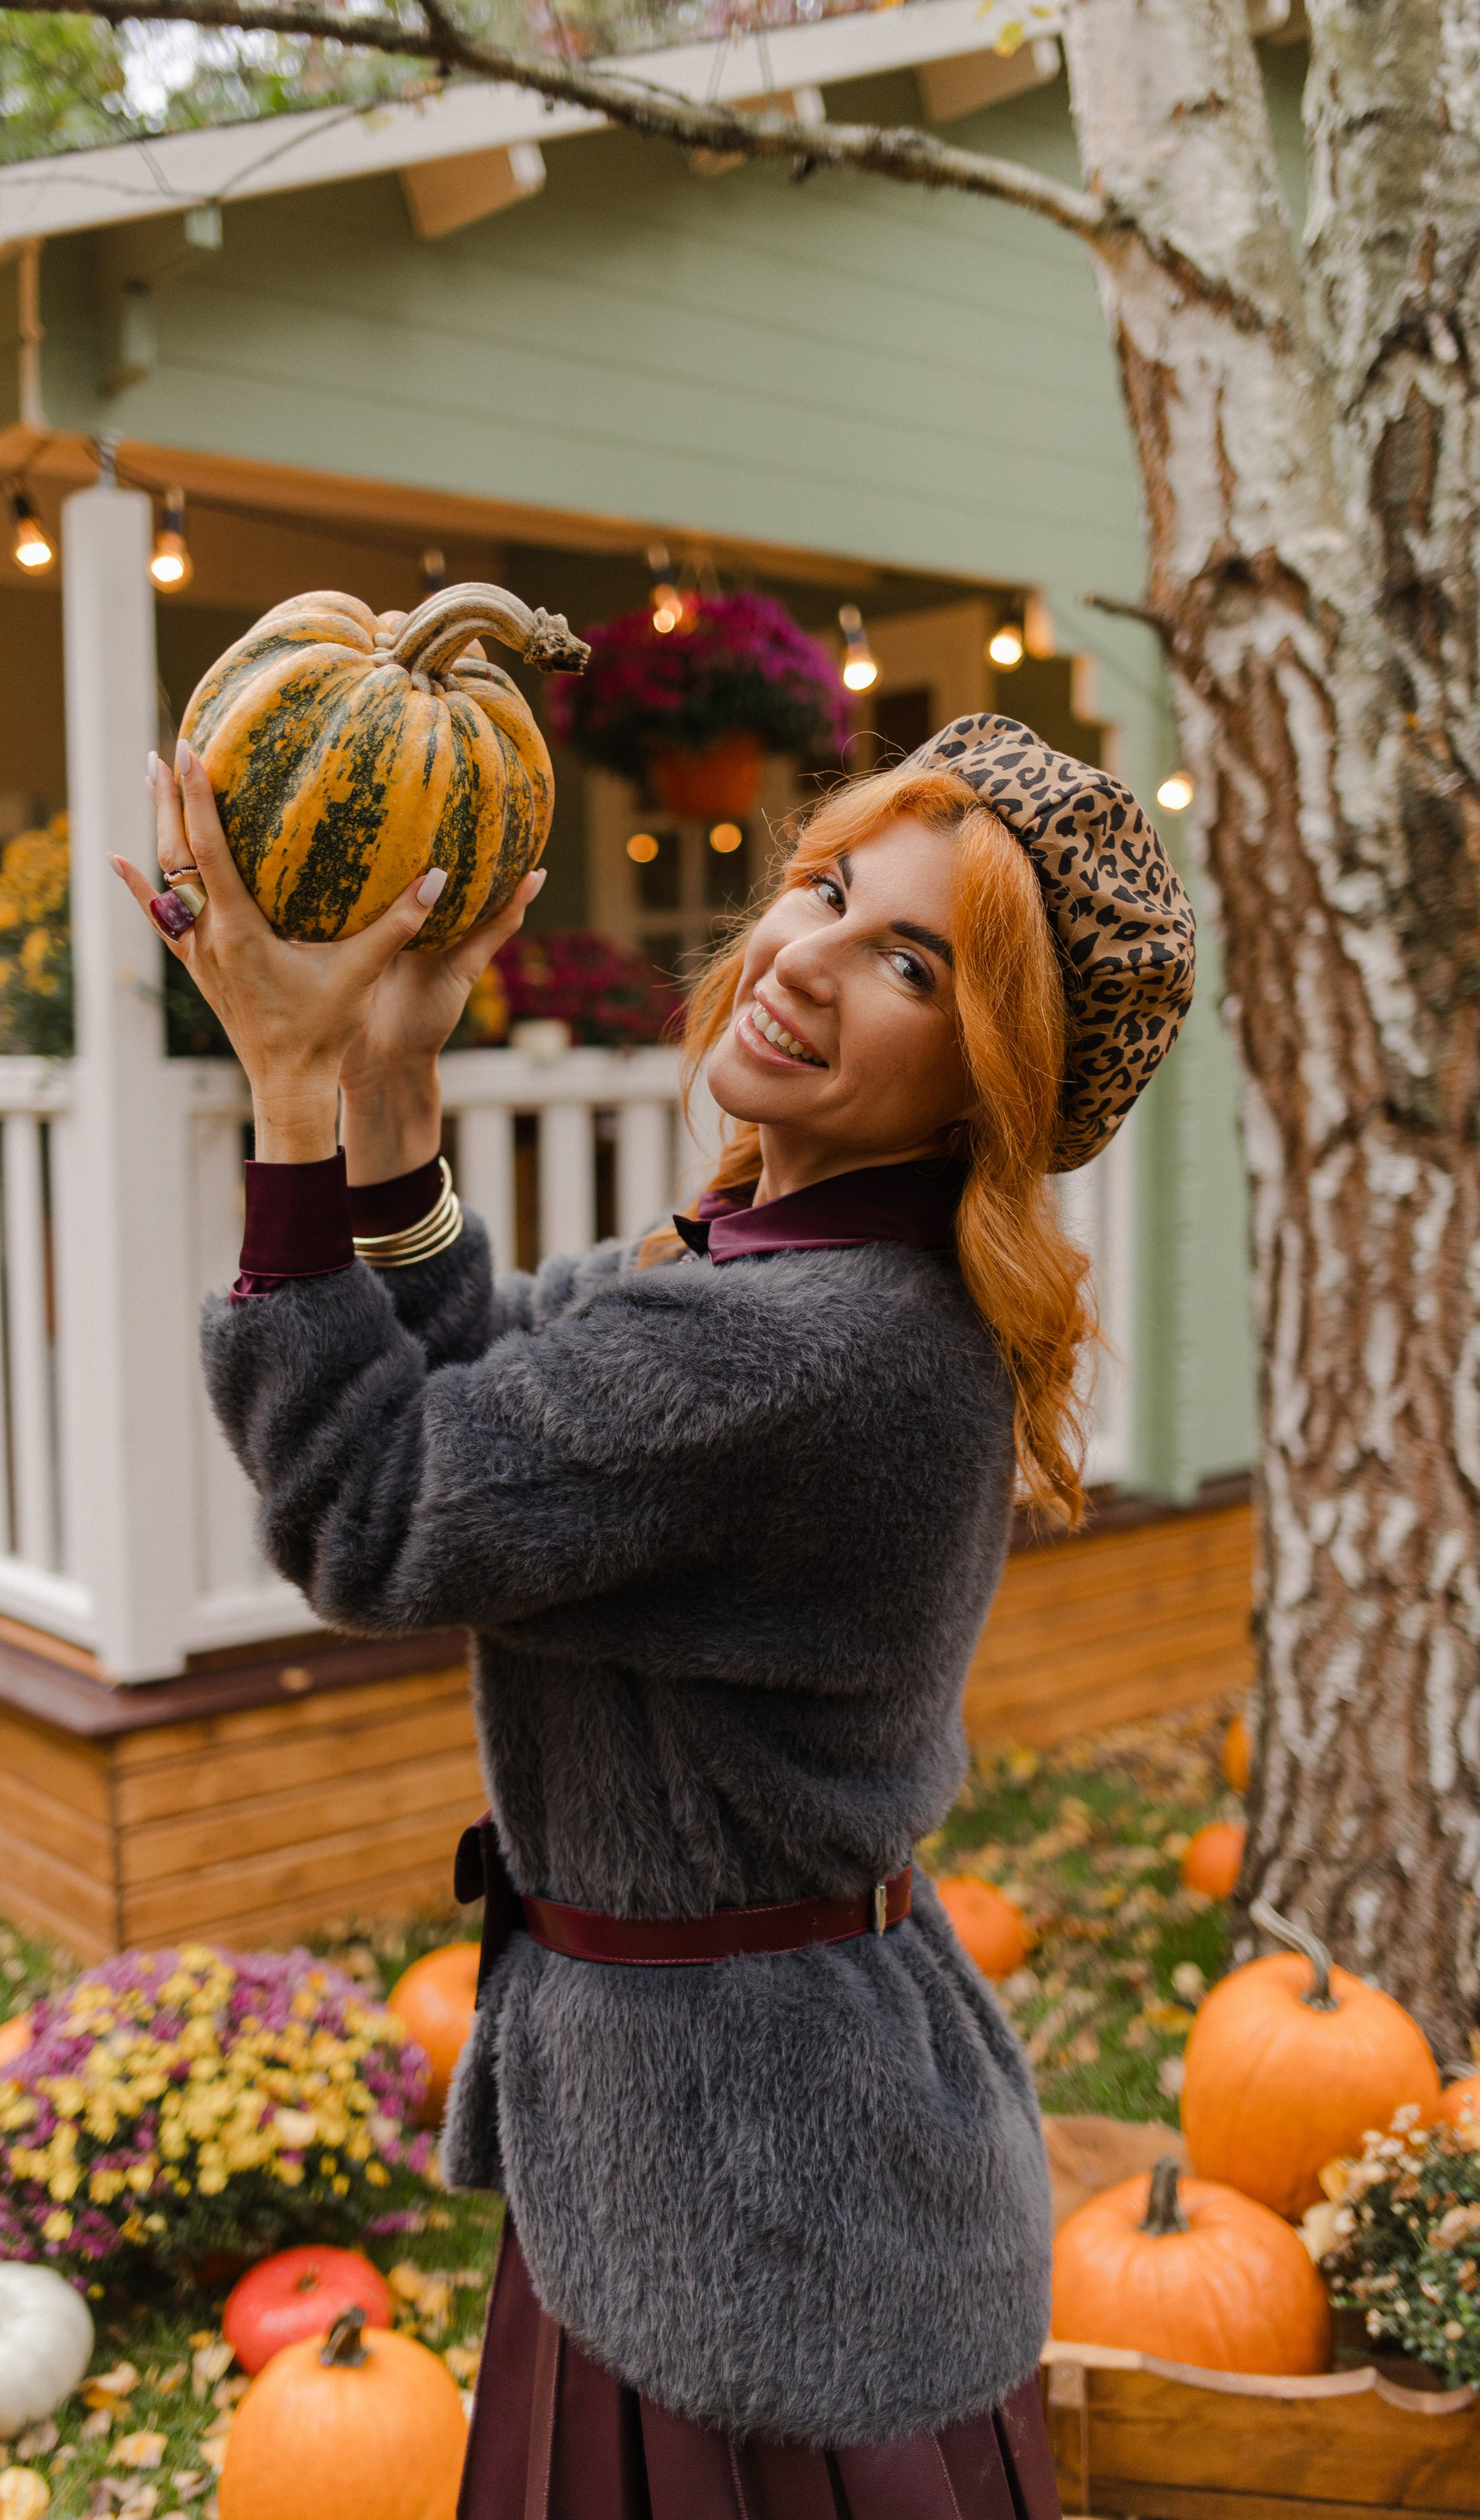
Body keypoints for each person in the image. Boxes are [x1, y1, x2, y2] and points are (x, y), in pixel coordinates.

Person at [113, 710, 1195, 2520]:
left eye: (909, 962)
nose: (806, 957)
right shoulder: (782, 1264)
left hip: (747, 2185)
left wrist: (287, 1107)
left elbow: (382, 1514)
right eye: (830, 891)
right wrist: (388, 1098)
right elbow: (484, 1379)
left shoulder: (803, 1348)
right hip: (732, 2129)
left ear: (984, 1076)